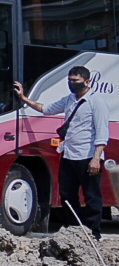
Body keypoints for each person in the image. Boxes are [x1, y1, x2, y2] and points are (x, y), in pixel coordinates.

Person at [16, 66, 108, 238]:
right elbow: (46, 108)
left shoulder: (97, 102)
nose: (71, 84)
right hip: (69, 154)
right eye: (69, 80)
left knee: (91, 196)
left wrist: (96, 158)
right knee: (66, 194)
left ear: (87, 82)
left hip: (88, 156)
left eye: (75, 81)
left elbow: (102, 133)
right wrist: (23, 98)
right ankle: (76, 229)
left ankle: (94, 232)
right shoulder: (69, 100)